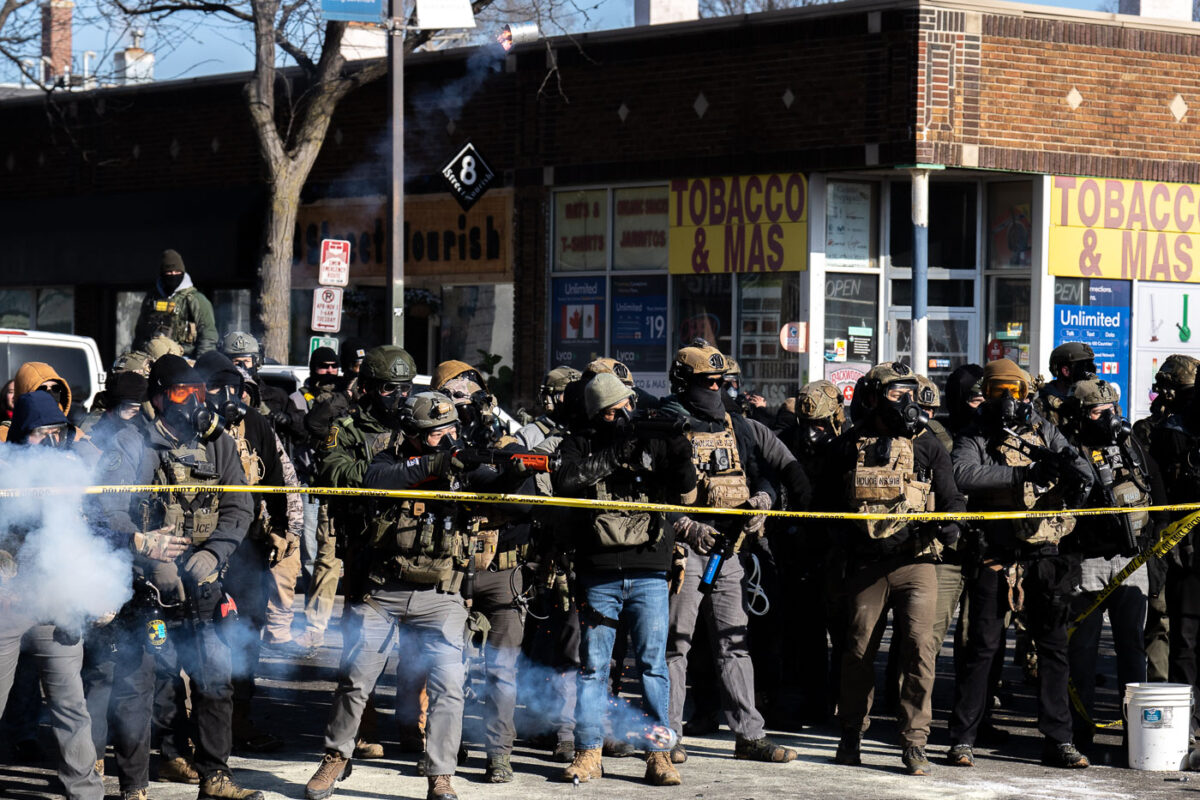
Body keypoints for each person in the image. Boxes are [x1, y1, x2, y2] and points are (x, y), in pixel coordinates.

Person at [305, 391, 520, 800]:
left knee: (449, 685)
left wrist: (513, 471)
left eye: (452, 429)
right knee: (354, 679)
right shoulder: (387, 457)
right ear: (415, 436)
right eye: (439, 434)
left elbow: (498, 488)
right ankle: (335, 758)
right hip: (382, 591)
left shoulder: (459, 466)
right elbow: (377, 480)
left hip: (441, 594)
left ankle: (441, 774)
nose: (449, 438)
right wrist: (431, 463)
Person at [92, 354, 260, 800]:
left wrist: (216, 554)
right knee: (137, 688)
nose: (195, 402)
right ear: (161, 396)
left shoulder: (218, 442)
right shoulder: (131, 444)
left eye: (201, 392)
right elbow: (106, 511)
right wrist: (145, 548)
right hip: (146, 591)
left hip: (203, 586)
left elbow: (241, 506)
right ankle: (134, 787)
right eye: (184, 393)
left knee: (214, 682)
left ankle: (216, 777)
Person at [657, 340, 800, 765]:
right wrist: (686, 525)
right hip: (685, 552)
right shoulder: (665, 426)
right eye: (709, 383)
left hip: (729, 553)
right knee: (675, 645)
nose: (717, 390)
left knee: (735, 645)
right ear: (685, 383)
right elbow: (651, 496)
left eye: (722, 382)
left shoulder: (736, 426)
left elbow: (766, 474)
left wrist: (763, 502)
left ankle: (749, 735)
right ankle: (668, 737)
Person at [553, 372, 698, 787]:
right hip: (599, 571)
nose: (622, 417)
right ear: (598, 414)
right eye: (612, 413)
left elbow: (686, 494)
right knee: (594, 667)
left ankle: (659, 755)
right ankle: (588, 752)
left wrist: (679, 451)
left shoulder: (654, 436)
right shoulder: (581, 440)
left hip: (650, 569)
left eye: (625, 409)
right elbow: (567, 481)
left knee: (653, 666)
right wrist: (618, 450)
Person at [949, 358, 1093, 769]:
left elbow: (1080, 468)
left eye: (1015, 391)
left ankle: (1059, 740)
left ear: (1027, 392)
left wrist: (1062, 473)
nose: (1009, 400)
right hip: (996, 558)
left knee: (1053, 650)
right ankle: (963, 739)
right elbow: (962, 473)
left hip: (1044, 558)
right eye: (999, 392)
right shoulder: (975, 432)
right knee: (982, 650)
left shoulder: (1045, 430)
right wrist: (1021, 474)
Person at [826, 362, 964, 776]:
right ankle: (851, 733)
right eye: (894, 393)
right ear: (871, 397)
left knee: (920, 650)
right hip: (866, 567)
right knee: (857, 651)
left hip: (917, 562)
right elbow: (824, 504)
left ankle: (914, 742)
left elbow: (954, 497)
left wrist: (949, 523)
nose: (906, 402)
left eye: (910, 392)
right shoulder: (849, 444)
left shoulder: (927, 444)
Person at [0, 391, 105, 800]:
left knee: (70, 705)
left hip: (54, 606)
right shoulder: (4, 471)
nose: (50, 440)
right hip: (7, 606)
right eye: (41, 432)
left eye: (54, 431)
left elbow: (89, 529)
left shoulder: (69, 470)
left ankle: (85, 792)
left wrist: (93, 586)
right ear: (24, 431)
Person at [1063, 377, 1164, 748]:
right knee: (1083, 648)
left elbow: (1158, 494)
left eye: (1113, 410)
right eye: (1097, 411)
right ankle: (1079, 730)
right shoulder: (1069, 448)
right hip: (1087, 561)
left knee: (1131, 649)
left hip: (1132, 560)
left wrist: (1156, 549)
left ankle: (1135, 735)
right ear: (1081, 415)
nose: (1108, 418)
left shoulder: (1132, 445)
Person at [1135, 354, 1198, 682]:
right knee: (1166, 626)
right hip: (1172, 541)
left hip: (1180, 543)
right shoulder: (1161, 431)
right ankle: (1168, 699)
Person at [133, 249, 217, 357]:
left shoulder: (195, 299)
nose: (173, 275)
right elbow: (140, 332)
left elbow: (208, 335)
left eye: (177, 272)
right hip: (153, 356)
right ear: (162, 274)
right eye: (169, 272)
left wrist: (202, 364)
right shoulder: (152, 298)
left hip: (185, 358)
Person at [1034, 342, 1097, 436]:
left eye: (1091, 368)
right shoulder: (1042, 407)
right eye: (1084, 368)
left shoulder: (1094, 401)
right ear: (1066, 371)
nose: (1090, 374)